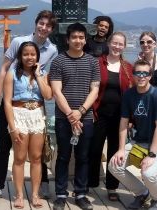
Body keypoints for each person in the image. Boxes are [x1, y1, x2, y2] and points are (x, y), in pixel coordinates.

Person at [0, 10, 58, 204]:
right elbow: (3, 68)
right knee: (5, 145)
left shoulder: (52, 50)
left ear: (52, 29)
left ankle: (40, 187)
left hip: (36, 104)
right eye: (41, 23)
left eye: (48, 25)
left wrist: (40, 80)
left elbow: (47, 78)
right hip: (13, 100)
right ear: (36, 24)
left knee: (39, 150)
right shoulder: (19, 41)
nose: (44, 28)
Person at [108, 59, 157, 210]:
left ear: (150, 76)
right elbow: (124, 123)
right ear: (133, 75)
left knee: (148, 174)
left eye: (145, 73)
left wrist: (151, 155)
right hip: (139, 140)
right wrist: (121, 149)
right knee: (114, 165)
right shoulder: (129, 95)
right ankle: (142, 193)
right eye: (138, 73)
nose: (141, 76)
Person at [49, 22, 100, 210]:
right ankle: (61, 195)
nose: (78, 40)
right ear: (67, 39)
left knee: (83, 157)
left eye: (81, 37)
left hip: (85, 118)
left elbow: (94, 90)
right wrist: (71, 114)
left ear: (85, 40)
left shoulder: (92, 61)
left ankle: (81, 194)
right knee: (63, 156)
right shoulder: (58, 61)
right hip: (63, 118)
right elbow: (56, 90)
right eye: (74, 37)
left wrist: (81, 111)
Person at [3, 41, 53, 209]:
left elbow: (48, 96)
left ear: (37, 56)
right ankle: (19, 195)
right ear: (20, 56)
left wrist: (39, 75)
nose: (29, 57)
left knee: (36, 158)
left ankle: (35, 194)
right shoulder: (11, 74)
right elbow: (7, 103)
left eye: (33, 54)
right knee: (19, 158)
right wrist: (12, 126)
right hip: (19, 115)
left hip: (38, 115)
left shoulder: (43, 73)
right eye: (26, 54)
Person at [88, 32, 134, 201]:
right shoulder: (97, 63)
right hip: (98, 113)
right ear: (108, 43)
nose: (117, 46)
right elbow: (90, 88)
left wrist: (131, 120)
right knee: (94, 149)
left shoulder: (128, 67)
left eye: (120, 44)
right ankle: (90, 182)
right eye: (114, 43)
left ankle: (112, 186)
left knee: (115, 151)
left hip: (120, 117)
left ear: (124, 46)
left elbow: (133, 95)